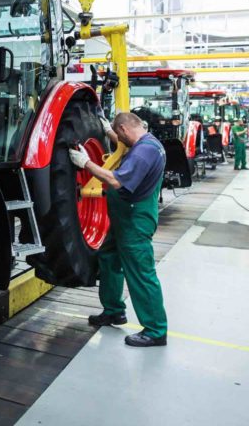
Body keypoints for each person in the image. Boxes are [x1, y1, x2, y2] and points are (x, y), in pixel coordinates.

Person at [69, 112, 168, 347]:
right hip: (124, 219)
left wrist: (85, 163)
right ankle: (114, 311)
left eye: (118, 133)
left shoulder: (144, 151)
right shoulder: (147, 143)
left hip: (135, 221)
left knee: (141, 273)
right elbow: (126, 143)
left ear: (124, 129)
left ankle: (156, 330)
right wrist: (108, 130)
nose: (118, 139)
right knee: (109, 258)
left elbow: (116, 181)